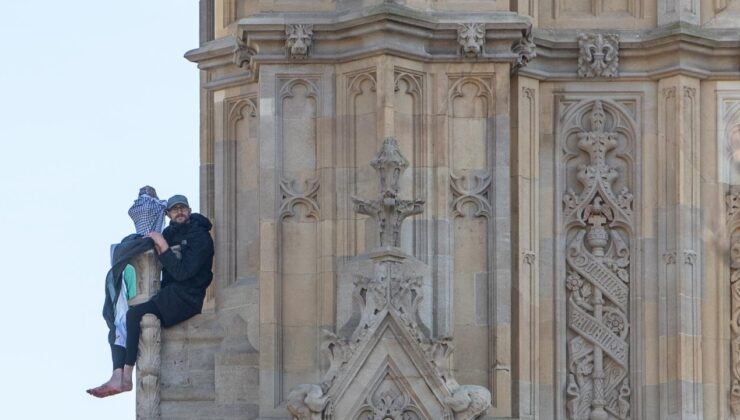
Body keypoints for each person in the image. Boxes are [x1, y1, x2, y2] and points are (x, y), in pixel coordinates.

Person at [87, 194, 214, 398]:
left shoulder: (200, 236)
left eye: (183, 208)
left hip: (188, 297)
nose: (179, 212)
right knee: (119, 317)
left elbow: (183, 273)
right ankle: (117, 372)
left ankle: (126, 377)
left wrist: (162, 246)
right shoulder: (169, 232)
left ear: (189, 211)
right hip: (171, 293)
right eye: (174, 209)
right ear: (168, 214)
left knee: (134, 316)